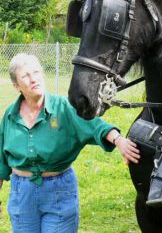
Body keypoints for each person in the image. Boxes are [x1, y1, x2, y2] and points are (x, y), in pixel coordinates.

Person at [0, 53, 140, 233]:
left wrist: (119, 140)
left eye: (36, 72)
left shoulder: (64, 107)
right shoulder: (10, 117)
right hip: (22, 194)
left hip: (58, 191)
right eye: (26, 76)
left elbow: (96, 126)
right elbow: (1, 160)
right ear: (16, 85)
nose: (33, 79)